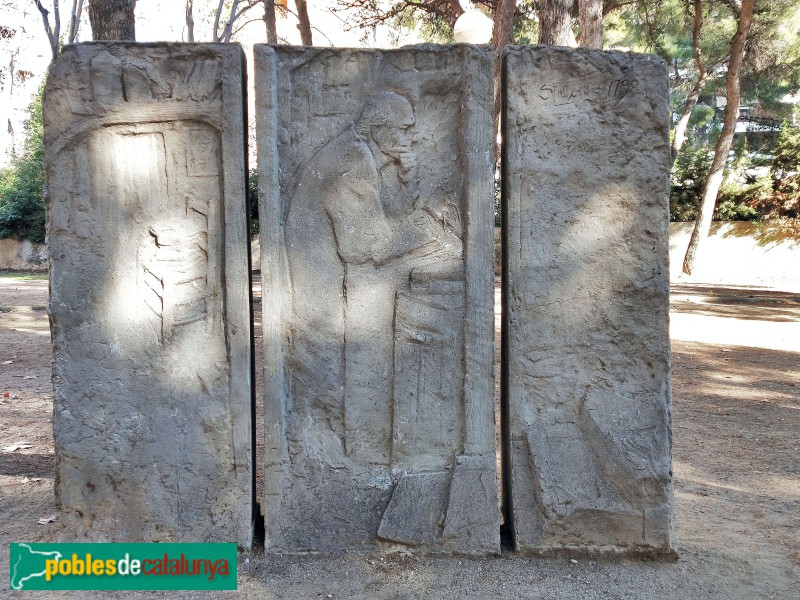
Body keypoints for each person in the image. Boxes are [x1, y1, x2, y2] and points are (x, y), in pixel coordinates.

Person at [285, 91, 463, 465]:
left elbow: (385, 223)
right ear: (379, 130)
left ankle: (378, 448)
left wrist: (407, 178)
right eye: (405, 128)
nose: (413, 137)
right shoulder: (351, 161)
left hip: (346, 283)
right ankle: (366, 452)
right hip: (327, 301)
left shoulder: (365, 156)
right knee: (376, 343)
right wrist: (428, 229)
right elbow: (366, 246)